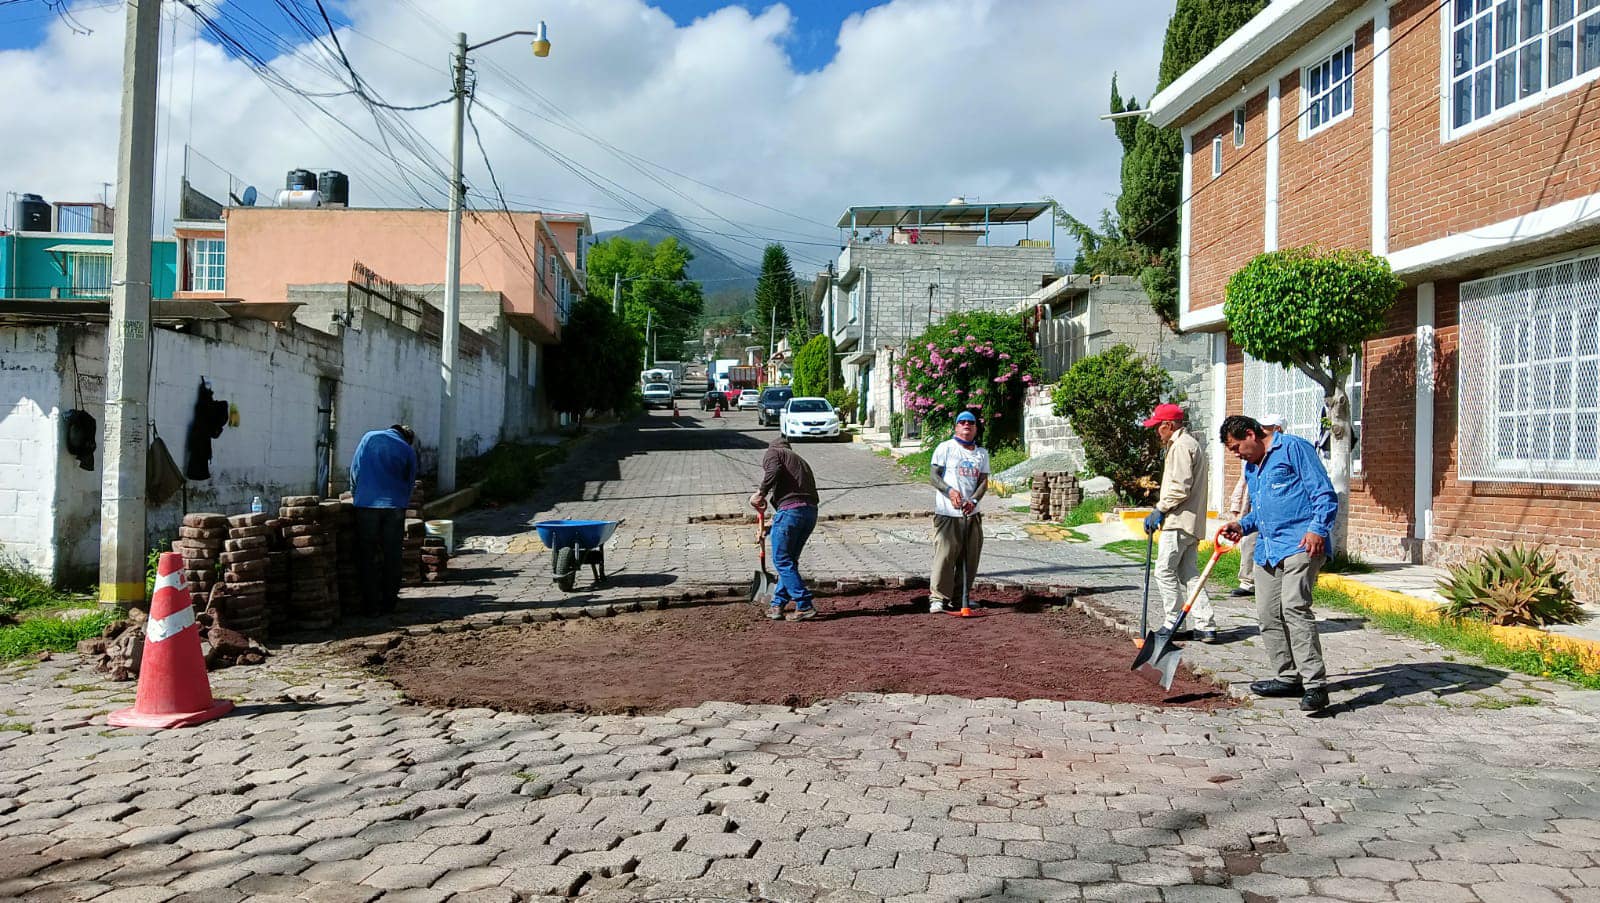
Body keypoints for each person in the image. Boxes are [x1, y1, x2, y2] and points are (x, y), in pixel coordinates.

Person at [1219, 414, 1339, 713]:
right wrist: (1242, 526)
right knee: (1267, 614)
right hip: (1268, 550)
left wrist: (1318, 528)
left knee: (1294, 608)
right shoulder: (1251, 467)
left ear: (1251, 434)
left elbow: (1324, 493)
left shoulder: (1294, 449)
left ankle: (1315, 686)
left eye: (1235, 447)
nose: (1235, 454)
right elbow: (1262, 513)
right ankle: (1288, 677)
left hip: (1302, 542)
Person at [1140, 403, 1216, 643]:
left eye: (1158, 427)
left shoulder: (1181, 446)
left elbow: (1179, 488)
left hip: (1179, 521)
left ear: (1169, 425)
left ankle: (1172, 621)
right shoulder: (1188, 444)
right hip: (1190, 521)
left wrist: (1159, 509)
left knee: (1163, 571)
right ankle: (1206, 625)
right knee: (1189, 574)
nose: (1156, 432)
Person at [749, 434, 820, 620]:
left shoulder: (774, 452)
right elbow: (799, 501)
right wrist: (771, 523)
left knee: (782, 561)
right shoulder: (800, 461)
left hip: (791, 513)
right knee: (789, 562)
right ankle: (777, 605)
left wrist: (760, 493)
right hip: (809, 513)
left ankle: (804, 604)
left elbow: (773, 471)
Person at [351, 424, 419, 615]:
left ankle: (371, 605)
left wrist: (356, 494)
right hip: (394, 507)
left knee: (367, 555)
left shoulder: (368, 437)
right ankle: (390, 603)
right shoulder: (407, 449)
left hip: (366, 505)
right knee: (392, 554)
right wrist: (401, 501)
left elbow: (355, 469)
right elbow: (409, 482)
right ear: (407, 437)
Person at [928, 411, 989, 613]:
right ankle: (938, 598)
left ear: (975, 428)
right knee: (945, 556)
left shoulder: (981, 454)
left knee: (969, 558)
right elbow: (934, 477)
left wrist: (973, 500)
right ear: (955, 427)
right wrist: (949, 491)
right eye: (962, 422)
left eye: (970, 423)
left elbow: (983, 482)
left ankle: (961, 597)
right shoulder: (945, 448)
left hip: (972, 514)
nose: (966, 426)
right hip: (948, 514)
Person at [1228, 412, 1284, 598]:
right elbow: (1242, 483)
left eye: (1268, 428)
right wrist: (1237, 509)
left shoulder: (1289, 449)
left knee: (1292, 605)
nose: (1264, 431)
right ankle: (1248, 581)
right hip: (1254, 512)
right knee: (1249, 544)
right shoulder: (1251, 460)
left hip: (1286, 532)